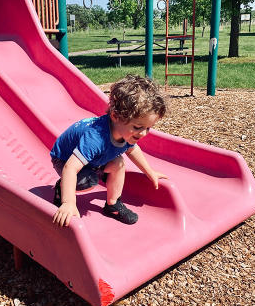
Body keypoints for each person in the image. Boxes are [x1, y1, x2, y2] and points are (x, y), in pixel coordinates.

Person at [50, 75, 169, 227]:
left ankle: (112, 204)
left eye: (148, 128)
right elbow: (70, 168)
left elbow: (132, 150)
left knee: (119, 162)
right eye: (138, 127)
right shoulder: (95, 139)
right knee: (88, 181)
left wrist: (149, 171)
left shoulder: (125, 132)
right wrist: (68, 203)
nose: (144, 133)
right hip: (64, 159)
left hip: (92, 158)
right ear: (115, 116)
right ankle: (61, 188)